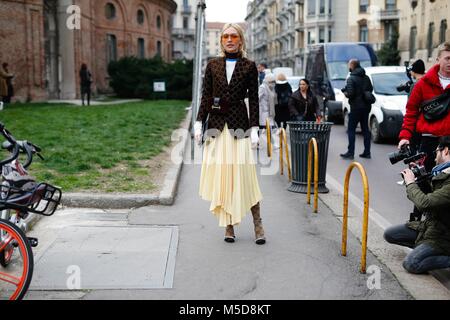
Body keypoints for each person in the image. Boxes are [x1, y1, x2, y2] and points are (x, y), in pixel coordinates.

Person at [194, 23, 265, 245]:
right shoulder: (212, 65)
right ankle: (229, 226)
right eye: (225, 36)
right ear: (221, 40)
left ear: (241, 40)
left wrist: (255, 129)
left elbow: (253, 99)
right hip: (216, 127)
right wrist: (198, 123)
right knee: (223, 178)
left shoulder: (249, 66)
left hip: (239, 125)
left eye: (234, 36)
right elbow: (206, 96)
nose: (229, 39)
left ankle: (258, 224)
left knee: (245, 176)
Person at [384, 136, 450, 274]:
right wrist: (419, 177)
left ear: (446, 151)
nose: (435, 155)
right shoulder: (442, 171)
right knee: (390, 234)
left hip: (444, 235)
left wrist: (410, 183)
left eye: (437, 151)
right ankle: (424, 248)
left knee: (411, 264)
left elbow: (425, 203)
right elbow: (432, 196)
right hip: (432, 227)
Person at [340, 59, 374, 160]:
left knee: (351, 130)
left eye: (349, 65)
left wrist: (345, 92)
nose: (348, 67)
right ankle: (367, 152)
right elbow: (370, 89)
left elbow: (350, 94)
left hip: (355, 107)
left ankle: (350, 152)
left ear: (352, 66)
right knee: (365, 130)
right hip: (366, 107)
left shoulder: (351, 78)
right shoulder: (366, 77)